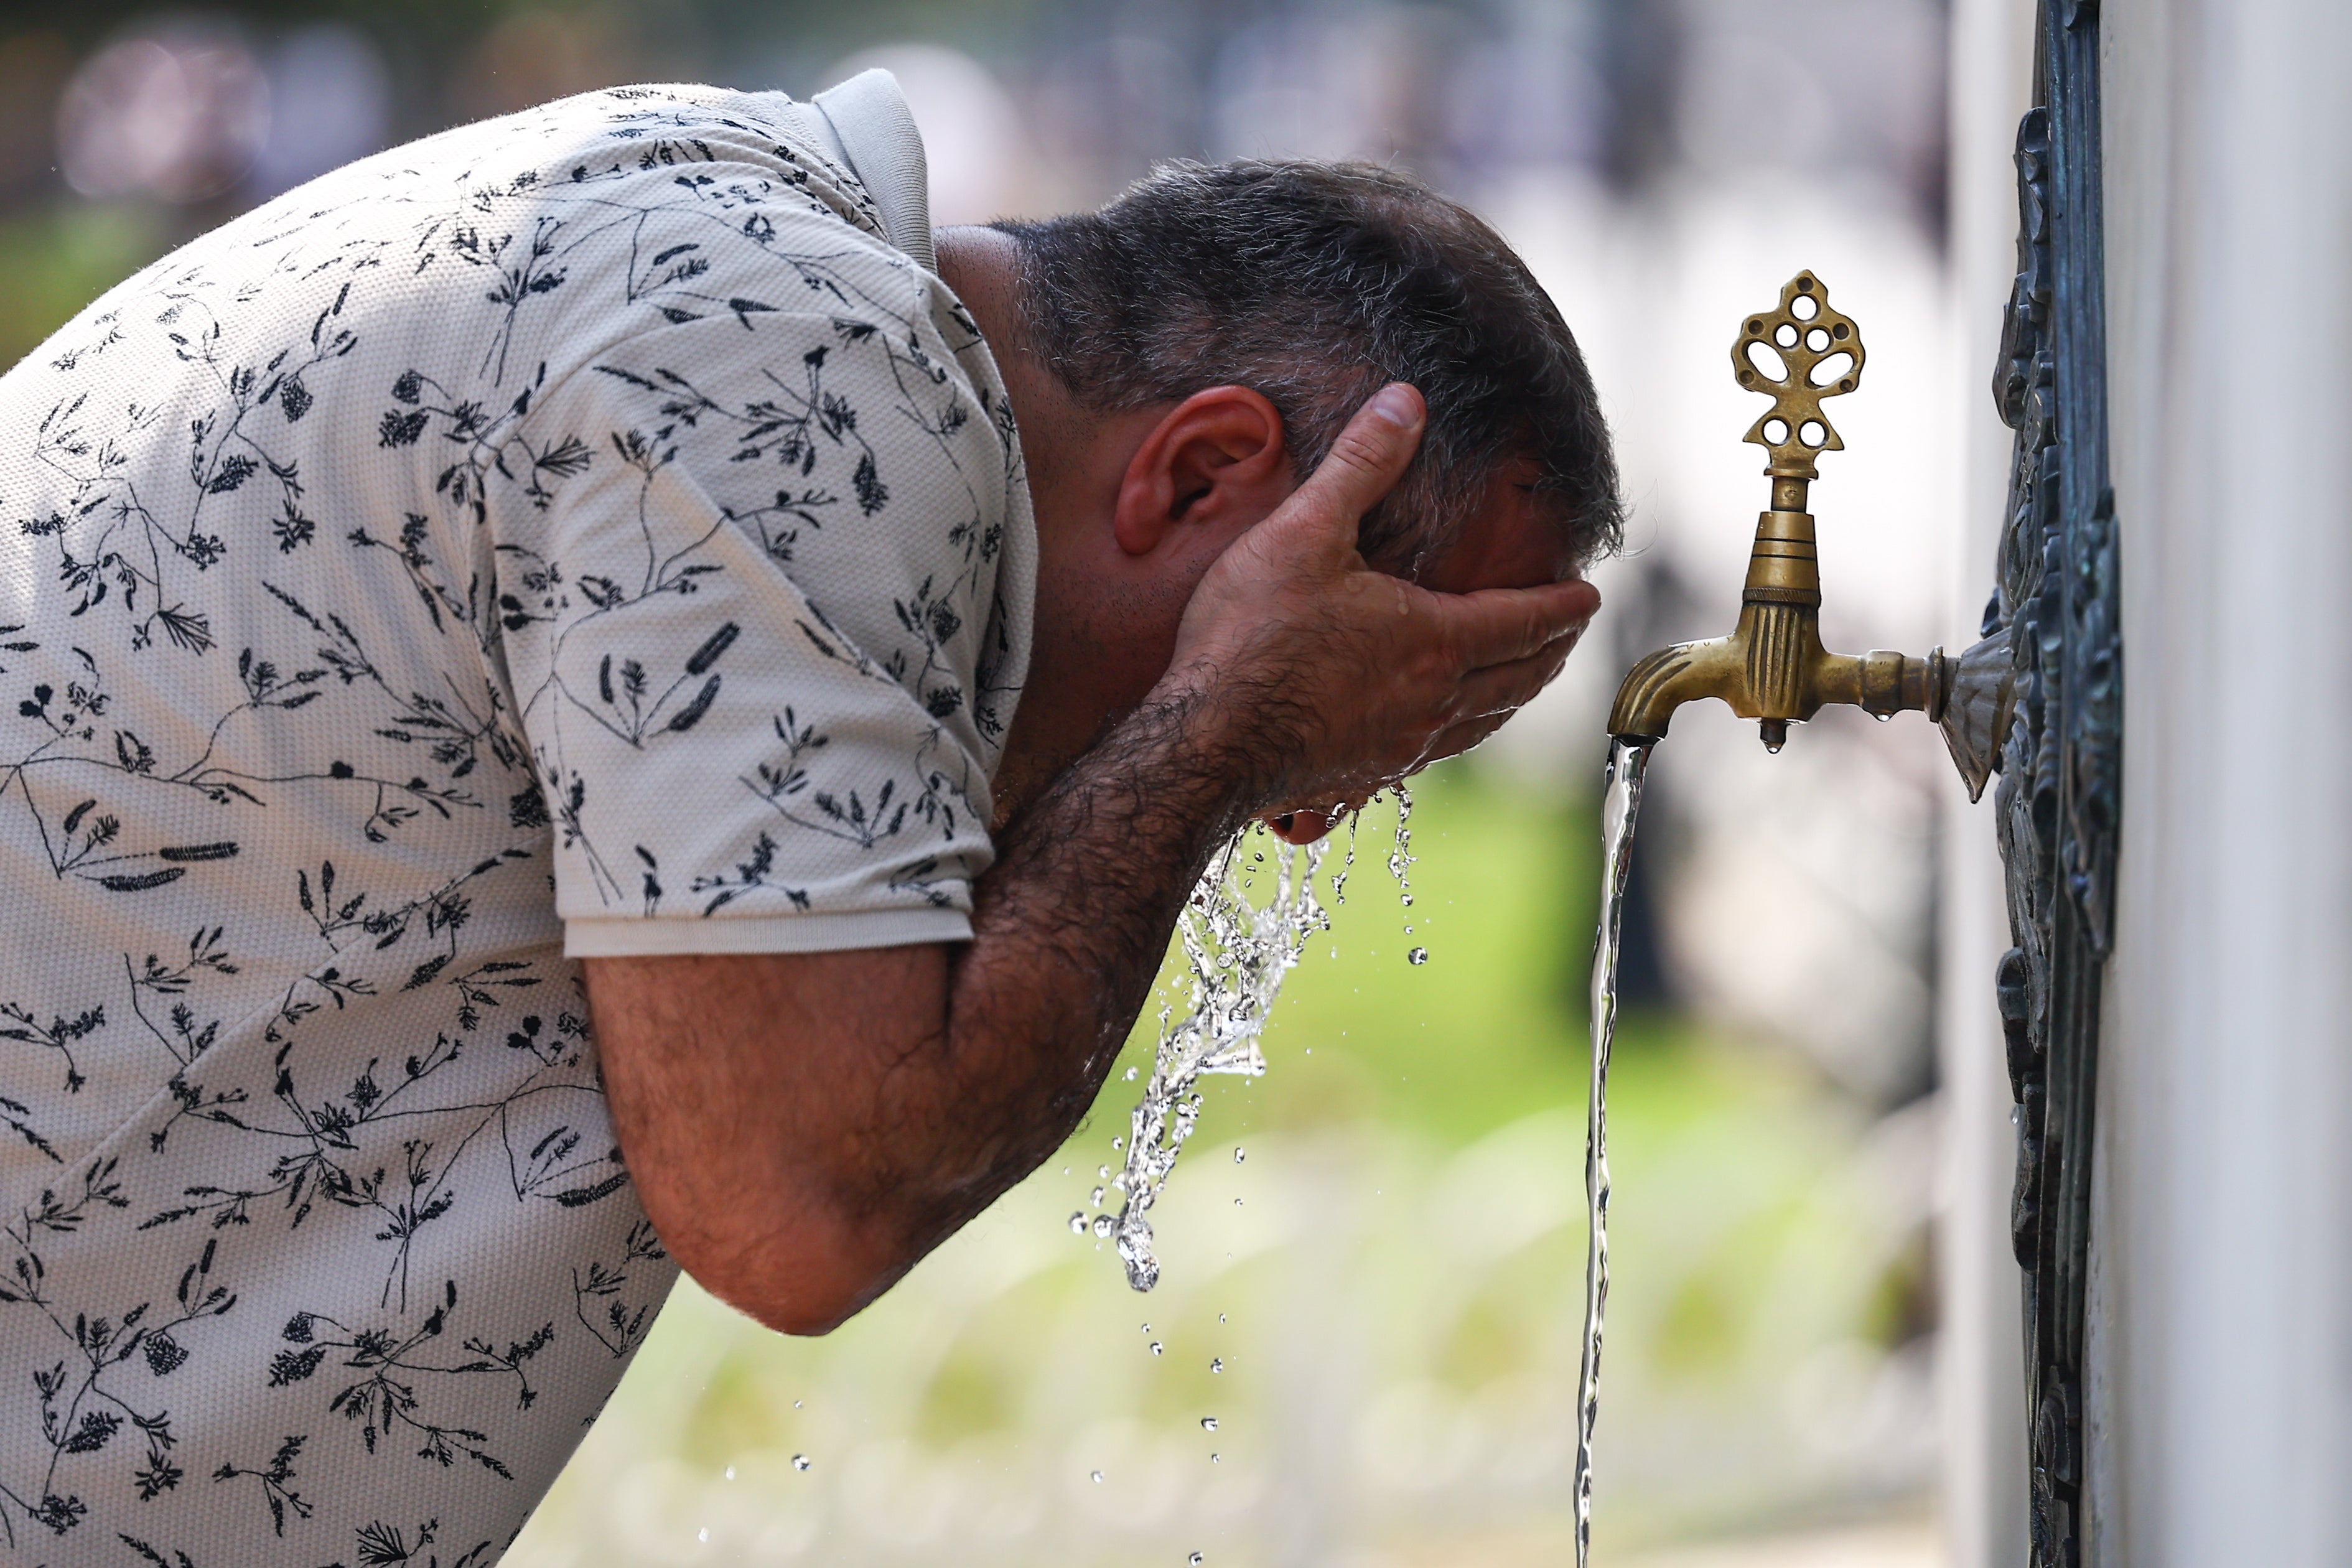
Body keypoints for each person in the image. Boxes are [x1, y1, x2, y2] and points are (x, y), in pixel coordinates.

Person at [0, 70, 1614, 1564]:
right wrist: (1220, 733)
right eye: (1335, 695)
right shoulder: (795, 355)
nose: (1308, 820)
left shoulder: (743, 249)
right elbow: (805, 1204)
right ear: (1200, 478)